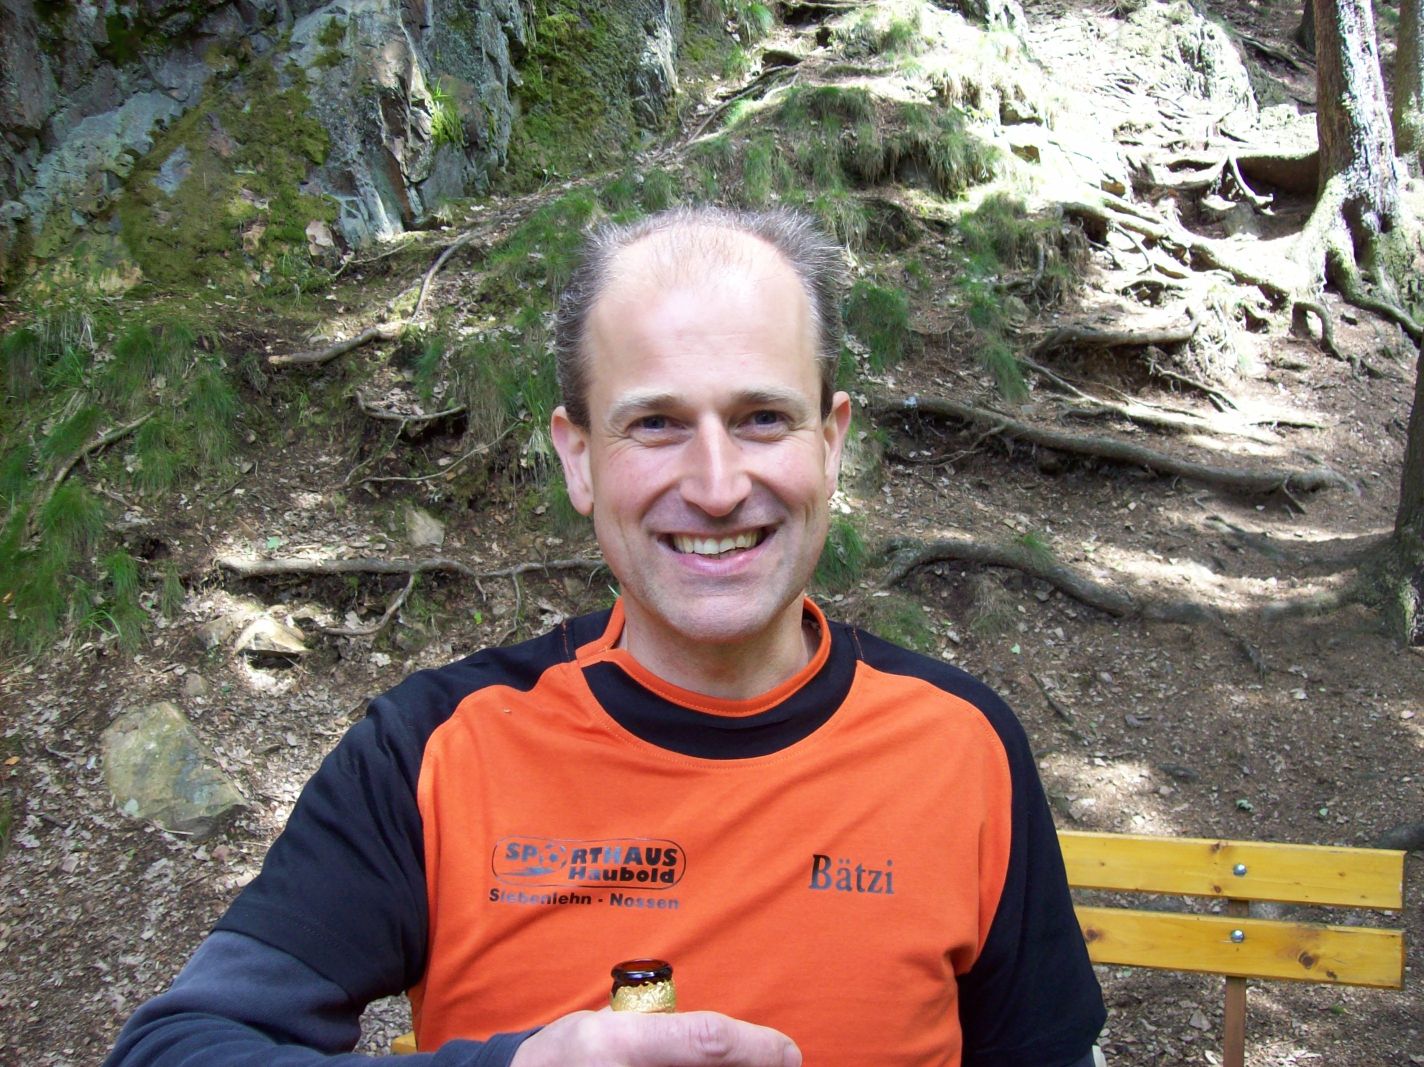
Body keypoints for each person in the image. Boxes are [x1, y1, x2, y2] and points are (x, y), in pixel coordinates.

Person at [106, 206, 1106, 1066]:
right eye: (656, 423)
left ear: (830, 441)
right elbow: (178, 1042)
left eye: (762, 417)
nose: (716, 486)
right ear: (578, 458)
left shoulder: (962, 745)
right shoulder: (435, 751)